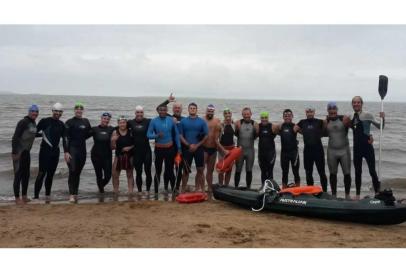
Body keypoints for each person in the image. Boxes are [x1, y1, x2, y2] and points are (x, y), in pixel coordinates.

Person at [350, 96, 385, 199]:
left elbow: (381, 127)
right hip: (357, 148)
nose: (356, 104)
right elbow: (344, 126)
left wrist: (383, 118)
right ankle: (357, 195)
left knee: (372, 171)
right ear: (352, 104)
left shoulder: (367, 115)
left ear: (362, 103)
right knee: (357, 172)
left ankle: (377, 193)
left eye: (358, 102)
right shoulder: (351, 116)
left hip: (367, 147)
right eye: (354, 102)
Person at [33, 103, 66, 201]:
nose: (58, 113)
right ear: (52, 111)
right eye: (56, 111)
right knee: (41, 173)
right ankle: (36, 196)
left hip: (55, 153)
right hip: (44, 152)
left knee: (51, 175)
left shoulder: (61, 124)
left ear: (62, 113)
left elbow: (65, 138)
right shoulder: (44, 121)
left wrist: (67, 151)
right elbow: (34, 133)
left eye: (60, 111)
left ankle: (47, 196)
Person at [147, 104, 181, 193]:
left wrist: (179, 148)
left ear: (167, 111)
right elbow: (148, 135)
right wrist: (157, 135)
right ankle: (156, 193)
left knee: (169, 170)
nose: (162, 111)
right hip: (159, 150)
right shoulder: (154, 121)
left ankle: (174, 191)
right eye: (160, 110)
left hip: (170, 149)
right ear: (158, 111)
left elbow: (177, 135)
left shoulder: (171, 120)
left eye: (164, 110)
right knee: (158, 171)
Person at [294, 107, 328, 191]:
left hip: (318, 150)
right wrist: (303, 133)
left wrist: (321, 133)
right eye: (308, 112)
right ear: (305, 113)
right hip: (307, 151)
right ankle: (311, 191)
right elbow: (295, 128)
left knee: (322, 172)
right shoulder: (302, 122)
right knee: (308, 173)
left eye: (311, 112)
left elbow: (325, 125)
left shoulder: (319, 121)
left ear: (314, 112)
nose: (309, 113)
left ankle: (325, 191)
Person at [63, 102, 92, 203]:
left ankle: (75, 194)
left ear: (82, 110)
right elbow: (65, 137)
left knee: (78, 173)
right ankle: (71, 194)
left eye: (81, 109)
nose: (79, 110)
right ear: (74, 110)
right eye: (77, 108)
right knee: (73, 171)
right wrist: (66, 151)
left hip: (82, 150)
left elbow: (89, 133)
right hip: (72, 150)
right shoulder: (69, 122)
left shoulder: (86, 121)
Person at [157, 93, 185, 192]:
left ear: (181, 109)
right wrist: (168, 100)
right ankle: (165, 187)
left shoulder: (185, 120)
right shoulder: (168, 117)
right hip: (168, 147)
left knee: (178, 169)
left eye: (179, 108)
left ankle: (176, 188)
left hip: (180, 148)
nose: (177, 109)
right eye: (175, 108)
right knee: (168, 169)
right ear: (173, 109)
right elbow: (159, 108)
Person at [324, 102, 352, 199]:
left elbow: (357, 128)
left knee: (347, 173)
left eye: (334, 109)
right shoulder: (326, 121)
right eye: (330, 109)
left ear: (337, 110)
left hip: (344, 151)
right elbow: (317, 134)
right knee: (332, 174)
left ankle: (347, 195)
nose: (332, 111)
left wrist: (369, 136)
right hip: (332, 151)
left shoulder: (343, 119)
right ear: (328, 110)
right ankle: (334, 195)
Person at [12, 105, 38, 204]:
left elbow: (32, 134)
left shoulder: (33, 123)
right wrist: (14, 152)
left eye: (36, 111)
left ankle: (24, 196)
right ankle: (17, 198)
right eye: (32, 111)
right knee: (18, 175)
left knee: (26, 175)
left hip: (27, 152)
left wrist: (43, 134)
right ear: (29, 112)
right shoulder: (23, 122)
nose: (34, 113)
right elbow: (15, 137)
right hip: (19, 152)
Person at [179, 102, 209, 192]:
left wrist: (197, 145)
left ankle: (198, 189)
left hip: (199, 148)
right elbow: (180, 135)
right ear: (188, 109)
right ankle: (183, 189)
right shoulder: (183, 121)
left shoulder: (202, 121)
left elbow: (206, 135)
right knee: (186, 171)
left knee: (200, 170)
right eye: (191, 108)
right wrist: (188, 145)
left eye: (194, 108)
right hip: (187, 149)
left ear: (196, 110)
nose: (192, 109)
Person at [128, 106, 153, 193]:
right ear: (135, 113)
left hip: (147, 151)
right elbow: (120, 127)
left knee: (148, 172)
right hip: (136, 152)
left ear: (143, 113)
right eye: (138, 112)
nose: (139, 114)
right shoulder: (130, 122)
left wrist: (173, 119)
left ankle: (148, 191)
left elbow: (161, 116)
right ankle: (139, 191)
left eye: (141, 112)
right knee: (138, 173)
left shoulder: (148, 121)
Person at [234, 107, 259, 189]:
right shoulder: (238, 123)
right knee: (238, 170)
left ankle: (248, 188)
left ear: (251, 114)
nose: (246, 116)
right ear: (242, 115)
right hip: (239, 151)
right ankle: (236, 187)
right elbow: (236, 135)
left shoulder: (254, 124)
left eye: (248, 114)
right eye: (244, 114)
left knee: (249, 170)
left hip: (250, 151)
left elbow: (256, 136)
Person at [203, 104, 225, 192]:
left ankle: (209, 187)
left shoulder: (217, 121)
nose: (210, 112)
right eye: (209, 111)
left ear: (213, 112)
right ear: (206, 111)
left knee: (210, 171)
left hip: (213, 149)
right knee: (201, 170)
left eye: (212, 111)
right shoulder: (202, 120)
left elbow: (220, 136)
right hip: (204, 148)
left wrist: (222, 127)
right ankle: (201, 187)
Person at [90, 112, 114, 194]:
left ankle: (100, 187)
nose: (106, 120)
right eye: (104, 118)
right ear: (101, 118)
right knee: (99, 175)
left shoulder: (111, 129)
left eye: (108, 119)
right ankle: (101, 192)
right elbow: (82, 136)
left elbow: (123, 127)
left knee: (108, 176)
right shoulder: (94, 129)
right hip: (96, 155)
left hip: (107, 156)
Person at [111, 116, 134, 194]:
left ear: (126, 123)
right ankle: (115, 191)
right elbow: (112, 148)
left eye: (124, 123)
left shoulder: (131, 131)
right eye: (120, 123)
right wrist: (113, 141)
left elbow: (136, 143)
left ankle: (130, 191)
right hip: (118, 155)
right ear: (118, 124)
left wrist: (130, 147)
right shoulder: (115, 132)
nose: (122, 124)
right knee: (115, 174)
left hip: (129, 155)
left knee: (130, 174)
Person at [278, 109, 300, 189]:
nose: (287, 117)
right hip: (284, 153)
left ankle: (298, 189)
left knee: (295, 172)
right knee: (284, 172)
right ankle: (284, 189)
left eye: (289, 115)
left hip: (294, 153)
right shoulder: (280, 126)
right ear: (283, 117)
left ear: (292, 116)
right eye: (285, 116)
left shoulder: (295, 126)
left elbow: (305, 132)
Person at [258, 111, 279, 186]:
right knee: (263, 172)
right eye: (262, 118)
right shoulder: (258, 126)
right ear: (260, 118)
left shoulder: (272, 126)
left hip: (271, 153)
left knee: (270, 171)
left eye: (265, 117)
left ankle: (271, 188)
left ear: (268, 118)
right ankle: (263, 188)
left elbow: (279, 132)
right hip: (261, 153)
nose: (264, 119)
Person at [218, 108, 235, 186]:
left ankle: (226, 185)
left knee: (229, 169)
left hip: (231, 149)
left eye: (229, 114)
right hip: (222, 149)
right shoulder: (221, 125)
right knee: (221, 168)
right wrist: (222, 149)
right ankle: (221, 184)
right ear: (224, 115)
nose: (228, 116)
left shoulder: (233, 124)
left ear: (231, 115)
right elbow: (217, 139)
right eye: (226, 114)